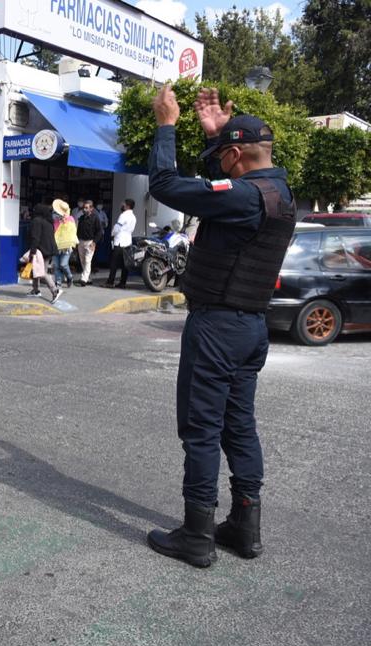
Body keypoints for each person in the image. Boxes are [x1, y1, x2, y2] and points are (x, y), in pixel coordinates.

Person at [145, 85, 297, 568]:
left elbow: (166, 185)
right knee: (239, 426)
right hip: (252, 328)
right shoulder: (279, 191)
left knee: (202, 431)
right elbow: (223, 191)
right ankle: (244, 529)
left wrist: (166, 125)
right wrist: (216, 136)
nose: (219, 162)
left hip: (217, 327)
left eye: (222, 154)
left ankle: (196, 536)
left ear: (236, 154)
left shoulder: (245, 197)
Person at [22, 203, 62, 302]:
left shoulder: (36, 221)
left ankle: (55, 290)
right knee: (36, 268)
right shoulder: (48, 222)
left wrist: (32, 252)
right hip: (49, 250)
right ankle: (35, 290)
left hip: (42, 250)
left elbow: (35, 238)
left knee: (42, 272)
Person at [102, 199, 136, 288]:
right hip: (128, 241)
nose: (122, 205)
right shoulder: (133, 217)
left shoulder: (123, 215)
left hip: (120, 241)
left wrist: (112, 234)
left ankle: (110, 282)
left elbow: (117, 227)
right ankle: (122, 283)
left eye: (123, 204)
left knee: (114, 263)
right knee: (125, 264)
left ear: (127, 206)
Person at [76, 200, 104, 286]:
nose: (84, 209)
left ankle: (83, 279)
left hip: (90, 242)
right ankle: (88, 278)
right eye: (84, 207)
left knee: (88, 260)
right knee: (82, 260)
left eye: (86, 208)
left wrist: (94, 242)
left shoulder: (95, 218)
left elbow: (99, 231)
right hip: (81, 241)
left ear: (91, 208)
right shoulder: (81, 218)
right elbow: (78, 230)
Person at [52, 199, 78, 287]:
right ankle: (58, 282)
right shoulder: (55, 219)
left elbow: (72, 232)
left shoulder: (70, 219)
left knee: (63, 264)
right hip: (56, 245)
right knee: (56, 265)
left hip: (66, 246)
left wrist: (65, 223)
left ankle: (69, 277)